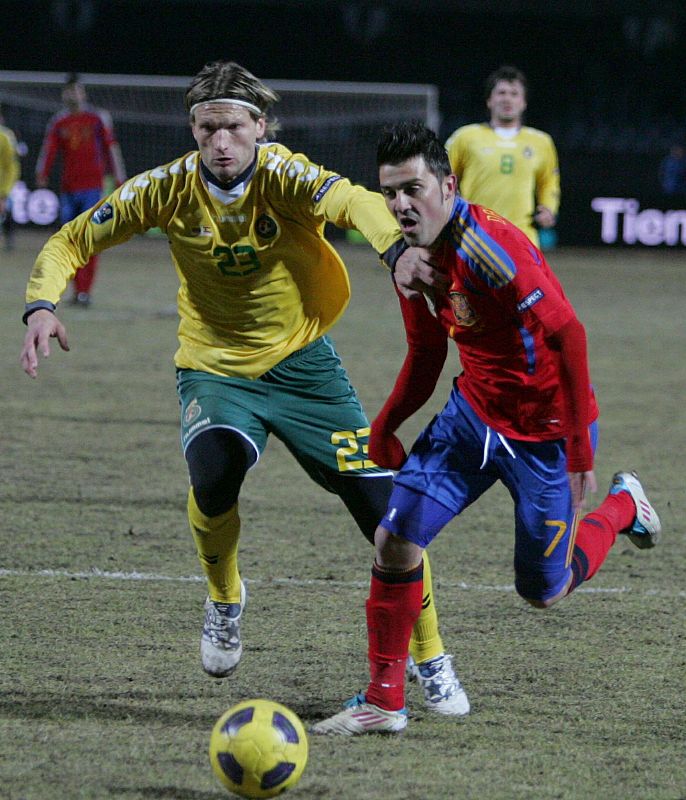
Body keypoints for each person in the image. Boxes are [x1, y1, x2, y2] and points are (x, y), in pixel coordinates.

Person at [20, 61, 468, 716]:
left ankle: (430, 654)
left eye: (234, 126)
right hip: (215, 366)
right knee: (214, 468)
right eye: (207, 129)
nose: (221, 142)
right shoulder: (166, 189)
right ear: (193, 131)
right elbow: (72, 239)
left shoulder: (285, 174)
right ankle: (226, 597)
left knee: (385, 514)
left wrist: (395, 252)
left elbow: (352, 200)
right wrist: (40, 304)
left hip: (305, 365)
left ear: (260, 126)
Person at [312, 121, 662, 736]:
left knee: (543, 592)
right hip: (472, 419)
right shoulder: (411, 259)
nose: (399, 205)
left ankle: (622, 507)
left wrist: (579, 449)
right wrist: (388, 423)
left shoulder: (489, 249)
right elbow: (425, 353)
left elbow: (568, 335)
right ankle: (384, 701)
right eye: (389, 192)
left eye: (412, 189)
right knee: (394, 539)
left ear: (447, 185)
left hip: (546, 436)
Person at [35, 73, 126, 305]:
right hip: (68, 189)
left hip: (93, 188)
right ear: (64, 95)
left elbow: (111, 148)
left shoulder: (96, 119)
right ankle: (77, 291)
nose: (72, 95)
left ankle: (85, 291)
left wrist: (119, 178)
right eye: (69, 91)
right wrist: (42, 172)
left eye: (76, 90)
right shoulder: (59, 122)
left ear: (82, 93)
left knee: (90, 239)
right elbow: (49, 148)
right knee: (69, 241)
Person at [445, 65, 559, 249]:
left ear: (523, 102)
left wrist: (548, 208)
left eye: (514, 94)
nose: (507, 99)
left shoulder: (541, 142)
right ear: (489, 100)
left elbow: (549, 181)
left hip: (523, 236)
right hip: (474, 233)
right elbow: (443, 178)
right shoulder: (465, 137)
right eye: (501, 93)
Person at [0, 106, 21, 251]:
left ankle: (9, 239)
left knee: (7, 208)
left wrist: (4, 192)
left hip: (2, 183)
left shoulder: (6, 137)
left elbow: (12, 167)